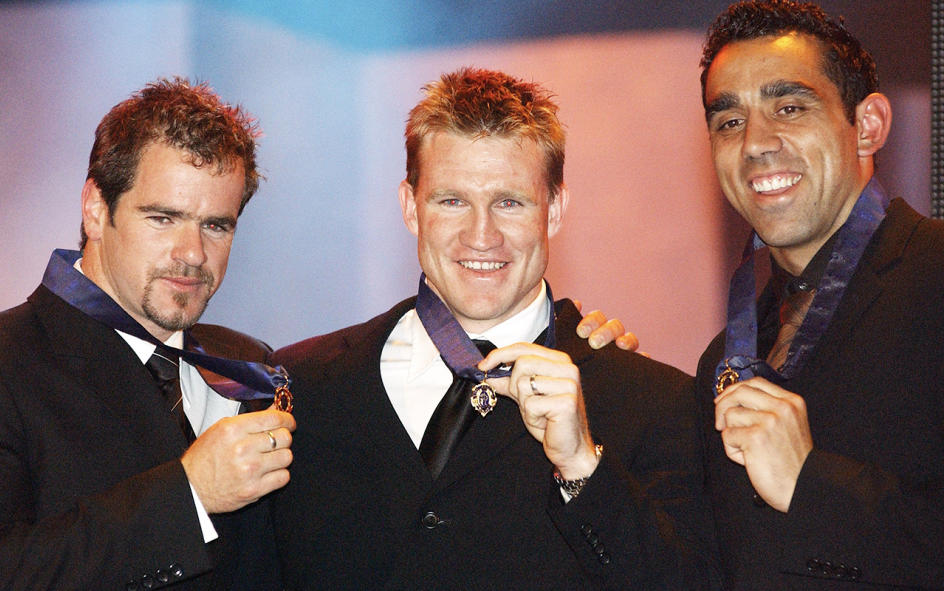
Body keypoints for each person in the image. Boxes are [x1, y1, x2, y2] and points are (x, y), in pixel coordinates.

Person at [269, 67, 710, 589]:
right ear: (411, 207)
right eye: (452, 201)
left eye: (510, 202)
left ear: (555, 210)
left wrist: (582, 467)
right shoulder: (302, 386)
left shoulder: (656, 402)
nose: (481, 236)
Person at [0, 78, 295, 590]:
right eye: (163, 218)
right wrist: (190, 494)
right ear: (96, 208)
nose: (193, 252)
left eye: (217, 225)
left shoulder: (247, 363)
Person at [694, 1, 944, 587]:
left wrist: (812, 485)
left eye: (789, 107)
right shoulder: (722, 361)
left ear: (869, 125)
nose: (756, 142)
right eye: (729, 121)